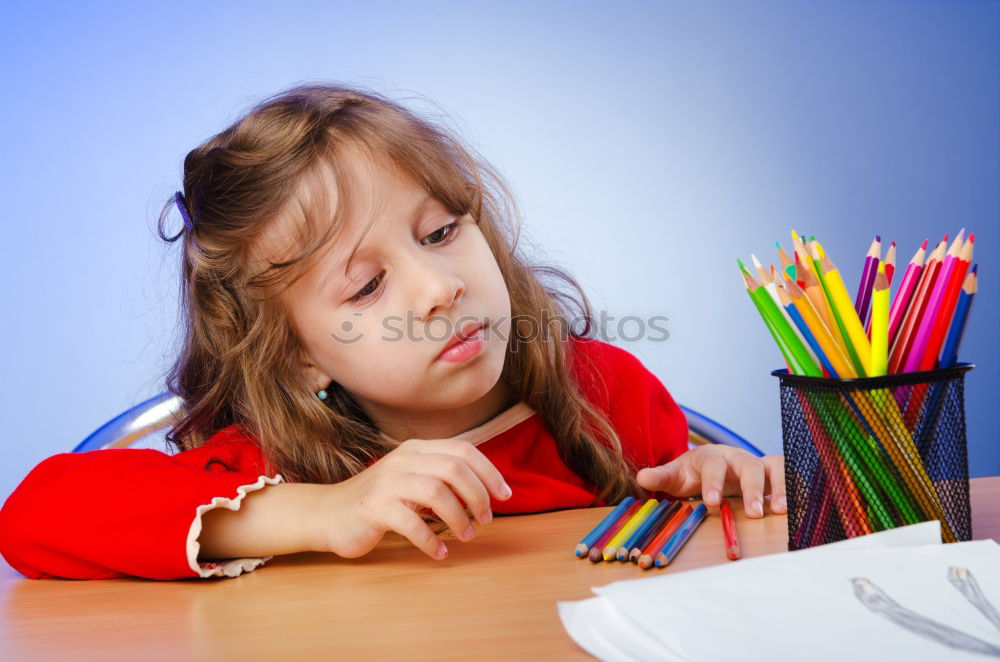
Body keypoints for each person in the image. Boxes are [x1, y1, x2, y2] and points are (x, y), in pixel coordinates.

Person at [0, 83, 786, 581]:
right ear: (298, 354)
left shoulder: (606, 394)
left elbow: (691, 556)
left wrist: (709, 477)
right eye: (369, 285)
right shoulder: (280, 463)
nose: (441, 287)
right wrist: (326, 512)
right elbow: (34, 517)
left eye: (442, 232)